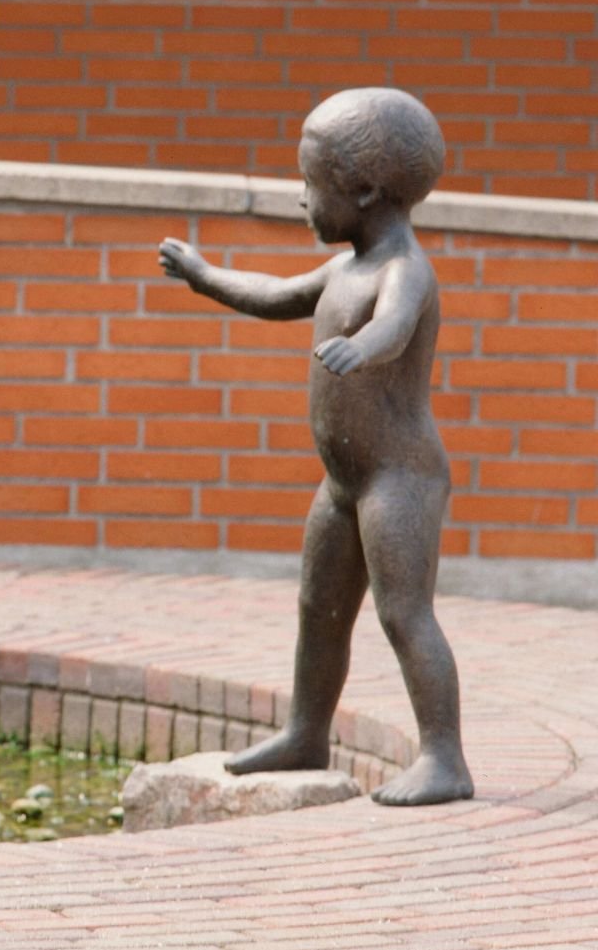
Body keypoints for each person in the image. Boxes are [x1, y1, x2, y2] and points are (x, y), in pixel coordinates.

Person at [158, 87, 474, 806]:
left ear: (363, 190)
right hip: (344, 483)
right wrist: (206, 277)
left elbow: (394, 325)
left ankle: (445, 757)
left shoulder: (404, 272)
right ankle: (306, 731)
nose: (302, 199)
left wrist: (362, 347)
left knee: (404, 612)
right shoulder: (343, 269)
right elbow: (271, 295)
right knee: (317, 605)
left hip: (399, 479)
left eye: (311, 184)